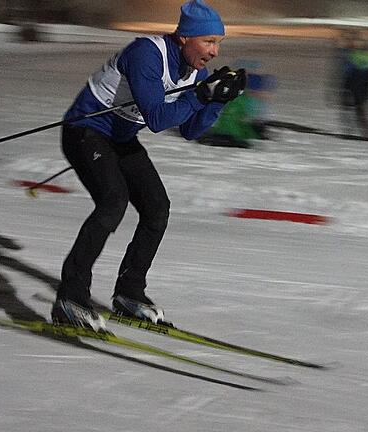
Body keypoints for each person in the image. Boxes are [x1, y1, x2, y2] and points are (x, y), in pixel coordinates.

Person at [51, 0, 246, 331]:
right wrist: (199, 97)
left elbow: (190, 131)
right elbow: (157, 119)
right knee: (114, 200)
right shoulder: (147, 54)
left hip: (120, 139)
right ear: (185, 37)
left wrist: (216, 101)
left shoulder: (194, 70)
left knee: (157, 207)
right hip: (86, 131)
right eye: (209, 42)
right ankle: (70, 297)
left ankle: (129, 293)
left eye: (218, 44)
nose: (214, 52)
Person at [197, 72, 276, 148]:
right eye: (261, 91)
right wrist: (242, 138)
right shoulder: (245, 101)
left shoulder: (244, 99)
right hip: (228, 134)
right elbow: (231, 121)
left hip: (225, 131)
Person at [333, 30, 368, 142]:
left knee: (357, 109)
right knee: (355, 109)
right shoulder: (365, 54)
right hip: (361, 85)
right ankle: (365, 132)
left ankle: (366, 133)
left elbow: (349, 68)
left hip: (357, 84)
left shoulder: (354, 54)